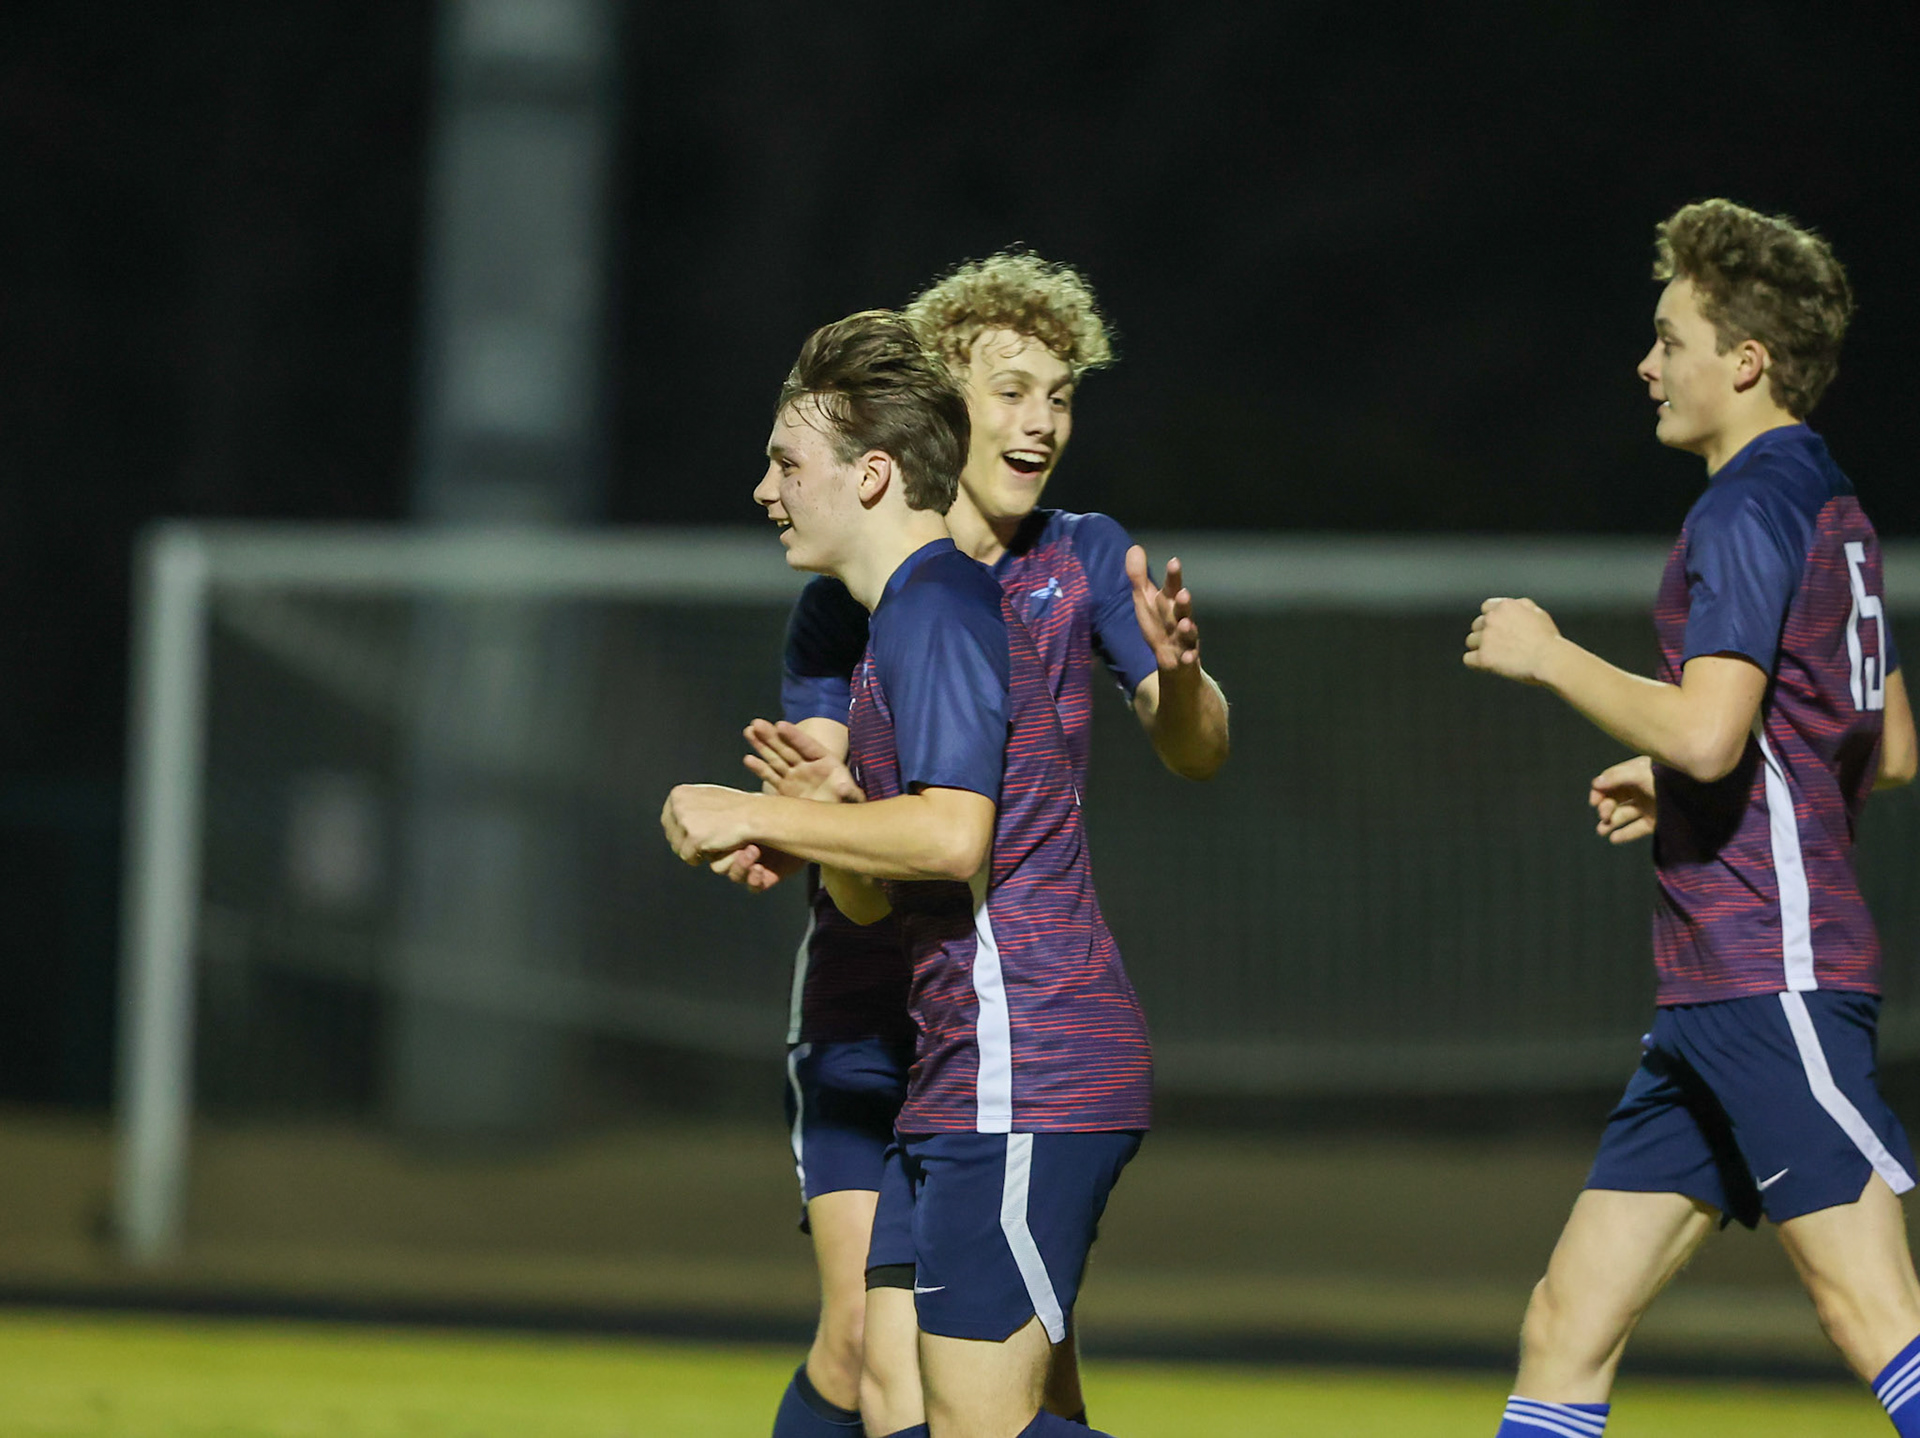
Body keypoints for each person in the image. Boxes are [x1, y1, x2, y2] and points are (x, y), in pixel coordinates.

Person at [752, 252, 1231, 1438]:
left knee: (997, 1388)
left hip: (1006, 1007)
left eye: (1060, 393)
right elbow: (846, 808)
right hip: (877, 999)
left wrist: (1179, 679)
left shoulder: (1075, 559)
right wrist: (795, 814)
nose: (1042, 420)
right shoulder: (854, 586)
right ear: (932, 406)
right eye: (1012, 388)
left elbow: (1196, 749)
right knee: (878, 1353)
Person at [1464, 198, 1920, 1437]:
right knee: (1567, 1321)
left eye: (1671, 337)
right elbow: (1885, 743)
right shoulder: (1829, 499)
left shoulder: (1745, 507)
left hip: (1770, 972)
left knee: (1877, 1317)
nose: (1648, 363)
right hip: (1713, 999)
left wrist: (1553, 656)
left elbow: (1719, 729)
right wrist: (1679, 779)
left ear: (1746, 362)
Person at [664, 308, 1153, 1438]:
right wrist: (820, 822)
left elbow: (949, 840)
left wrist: (745, 806)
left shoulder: (936, 612)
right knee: (896, 1386)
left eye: (788, 464)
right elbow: (884, 891)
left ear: (872, 474)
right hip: (959, 1068)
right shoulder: (893, 628)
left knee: (977, 1423)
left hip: (1025, 1063)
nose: (765, 490)